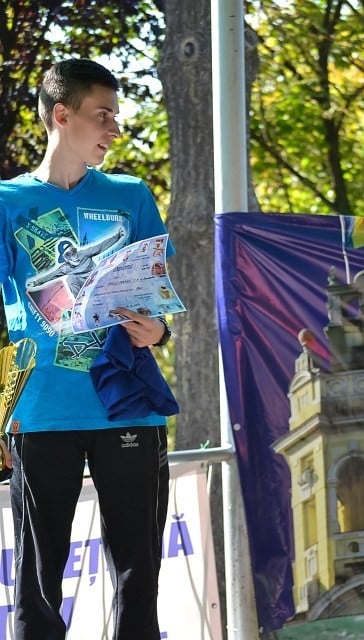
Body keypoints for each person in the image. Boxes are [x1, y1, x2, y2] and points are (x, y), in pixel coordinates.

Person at [0, 59, 175, 639]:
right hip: (41, 409)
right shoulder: (6, 203)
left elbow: (154, 298)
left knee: (138, 575)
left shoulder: (131, 196)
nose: (114, 129)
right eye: (103, 116)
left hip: (127, 403)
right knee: (37, 584)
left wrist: (158, 332)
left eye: (116, 117)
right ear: (61, 115)